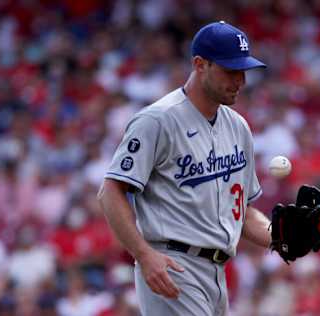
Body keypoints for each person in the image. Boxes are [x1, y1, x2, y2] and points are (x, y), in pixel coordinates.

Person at [97, 21, 272, 315]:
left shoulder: (238, 126)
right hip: (172, 264)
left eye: (244, 71)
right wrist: (144, 255)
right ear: (200, 64)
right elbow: (110, 192)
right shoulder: (158, 120)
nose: (240, 80)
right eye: (230, 70)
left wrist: (284, 236)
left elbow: (241, 212)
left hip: (217, 272)